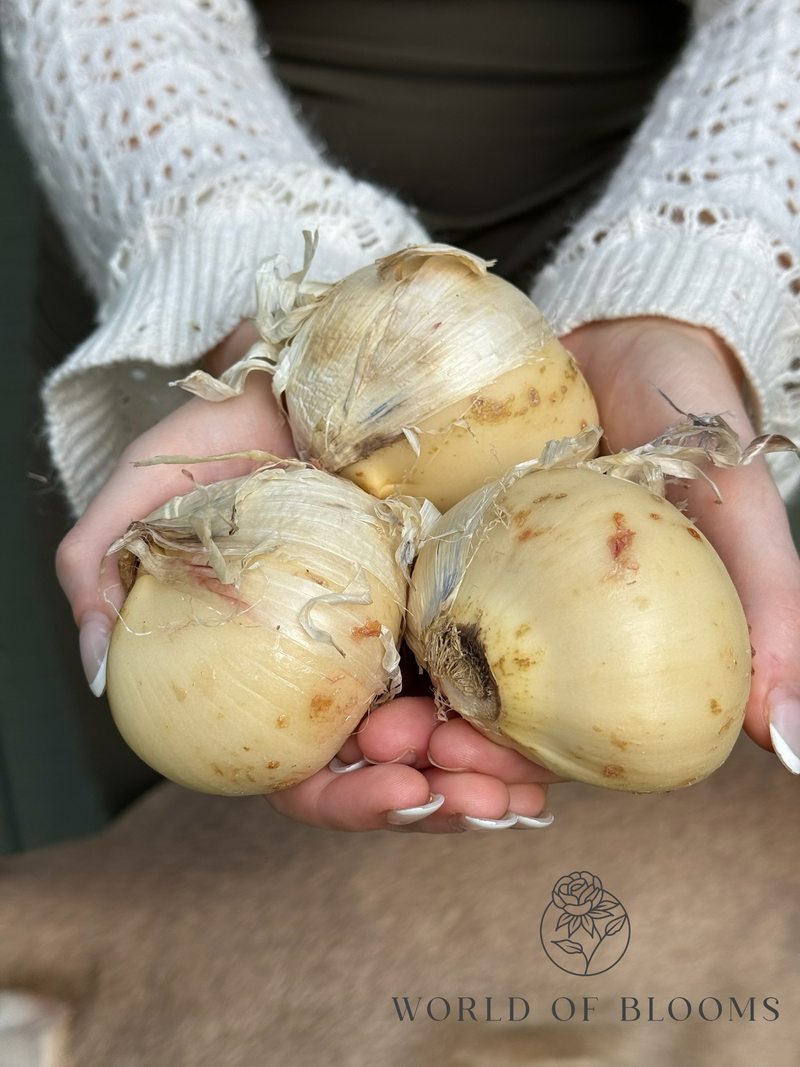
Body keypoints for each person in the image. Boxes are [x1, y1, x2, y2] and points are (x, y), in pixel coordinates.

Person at [2, 0, 798, 835]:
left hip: (631, 189)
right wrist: (250, 281)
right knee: (169, 873)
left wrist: (695, 261)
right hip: (207, 314)